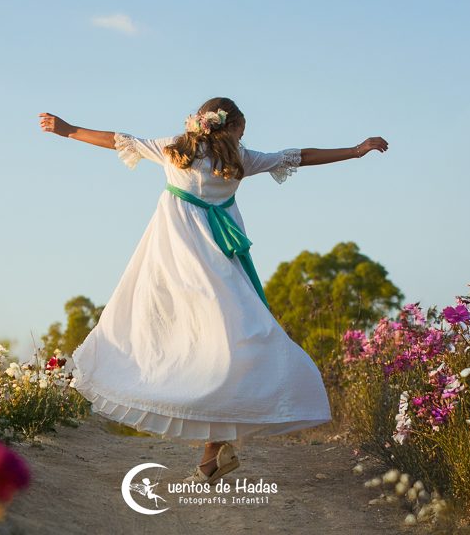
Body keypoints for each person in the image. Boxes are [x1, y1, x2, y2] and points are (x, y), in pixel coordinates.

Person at [38, 97, 388, 484]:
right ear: (232, 128)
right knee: (232, 343)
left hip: (172, 264)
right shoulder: (240, 160)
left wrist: (67, 129)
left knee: (168, 337)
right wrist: (356, 151)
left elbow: (119, 140)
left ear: (199, 122)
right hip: (220, 265)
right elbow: (298, 156)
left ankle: (211, 455)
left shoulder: (174, 150)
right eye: (242, 130)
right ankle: (216, 445)